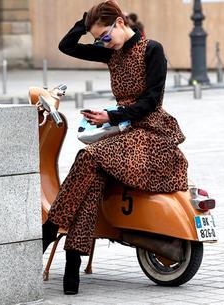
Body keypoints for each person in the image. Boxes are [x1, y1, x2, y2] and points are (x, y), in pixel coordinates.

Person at [42, 0, 188, 295]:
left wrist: (113, 115)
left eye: (106, 36)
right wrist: (86, 24)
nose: (103, 44)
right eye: (98, 40)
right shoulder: (113, 54)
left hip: (151, 135)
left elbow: (151, 102)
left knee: (88, 156)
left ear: (121, 23)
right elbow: (66, 46)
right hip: (121, 133)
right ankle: (72, 268)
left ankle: (46, 235)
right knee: (91, 180)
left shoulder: (152, 50)